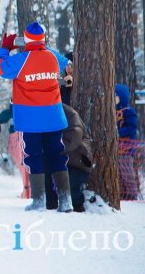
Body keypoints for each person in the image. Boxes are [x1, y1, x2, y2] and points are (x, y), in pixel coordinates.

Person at [0, 22, 71, 212]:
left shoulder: (21, 60)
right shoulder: (53, 57)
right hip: (53, 116)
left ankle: (39, 200)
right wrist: (40, 44)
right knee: (57, 155)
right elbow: (65, 63)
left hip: (30, 118)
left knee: (34, 156)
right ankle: (65, 200)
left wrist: (5, 48)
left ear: (26, 40)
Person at [60, 81, 93, 212]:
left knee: (71, 186)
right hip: (68, 161)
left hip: (79, 161)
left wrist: (56, 147)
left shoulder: (70, 114)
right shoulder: (56, 114)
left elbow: (74, 137)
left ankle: (79, 206)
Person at [0, 104, 30, 199]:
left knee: (23, 165)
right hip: (24, 135)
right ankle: (27, 189)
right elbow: (1, 118)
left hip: (17, 137)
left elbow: (1, 118)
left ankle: (28, 190)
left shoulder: (12, 111)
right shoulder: (23, 108)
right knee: (25, 165)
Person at [116, 83, 139, 200]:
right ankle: (123, 193)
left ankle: (132, 193)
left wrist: (119, 132)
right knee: (119, 172)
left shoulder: (129, 111)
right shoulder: (114, 111)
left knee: (127, 172)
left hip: (126, 148)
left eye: (116, 96)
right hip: (117, 148)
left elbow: (132, 127)